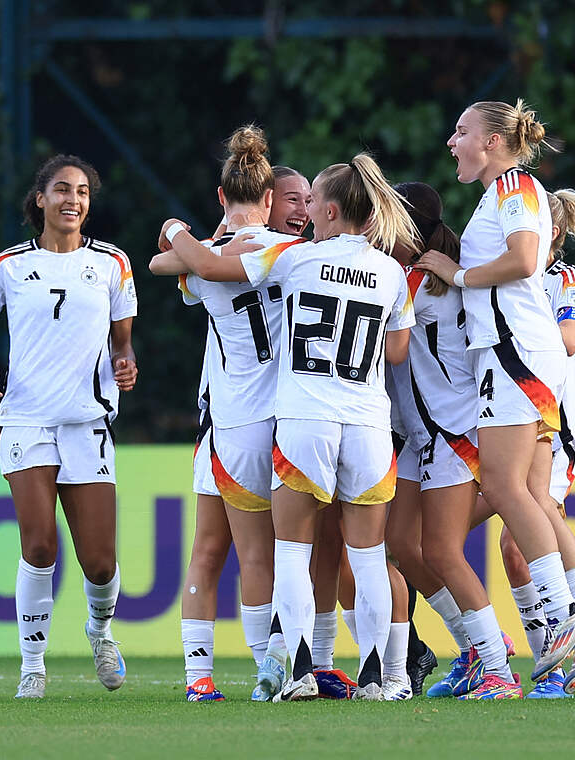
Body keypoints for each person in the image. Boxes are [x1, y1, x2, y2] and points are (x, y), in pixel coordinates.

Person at [158, 152, 416, 701]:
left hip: (305, 418)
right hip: (368, 421)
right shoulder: (392, 272)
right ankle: (380, 678)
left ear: (326, 208)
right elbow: (397, 350)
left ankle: (295, 672)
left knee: (291, 551)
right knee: (368, 556)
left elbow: (206, 267)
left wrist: (176, 230)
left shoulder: (297, 258)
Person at [415, 99, 575, 687]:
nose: (452, 141)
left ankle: (568, 620)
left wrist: (460, 273)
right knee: (523, 491)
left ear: (493, 141)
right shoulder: (503, 192)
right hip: (510, 350)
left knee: (505, 487)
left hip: (515, 350)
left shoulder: (515, 184)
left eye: (461, 131)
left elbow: (521, 260)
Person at [0, 154, 138, 698]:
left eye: (82, 192)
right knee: (38, 547)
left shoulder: (112, 263)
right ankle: (32, 668)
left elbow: (123, 345)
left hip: (88, 423)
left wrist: (126, 366)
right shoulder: (7, 266)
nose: (73, 201)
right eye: (62, 190)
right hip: (27, 420)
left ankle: (99, 630)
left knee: (100, 561)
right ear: (40, 199)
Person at [149, 126, 295, 701]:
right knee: (267, 555)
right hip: (277, 421)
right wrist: (205, 244)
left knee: (208, 553)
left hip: (223, 426)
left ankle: (198, 678)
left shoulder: (207, 260)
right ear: (269, 201)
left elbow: (165, 266)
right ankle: (268, 673)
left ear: (220, 196)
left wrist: (181, 232)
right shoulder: (291, 253)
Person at [389, 181, 524, 700]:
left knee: (441, 550)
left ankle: (494, 666)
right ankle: (476, 648)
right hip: (419, 433)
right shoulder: (433, 273)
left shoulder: (419, 282)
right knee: (402, 544)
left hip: (448, 431)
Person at [487, 188, 575, 697]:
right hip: (516, 416)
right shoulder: (511, 281)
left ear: (552, 233)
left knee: (525, 526)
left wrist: (518, 319)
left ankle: (573, 634)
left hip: (553, 424)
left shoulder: (564, 279)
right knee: (512, 540)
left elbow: (568, 339)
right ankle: (568, 638)